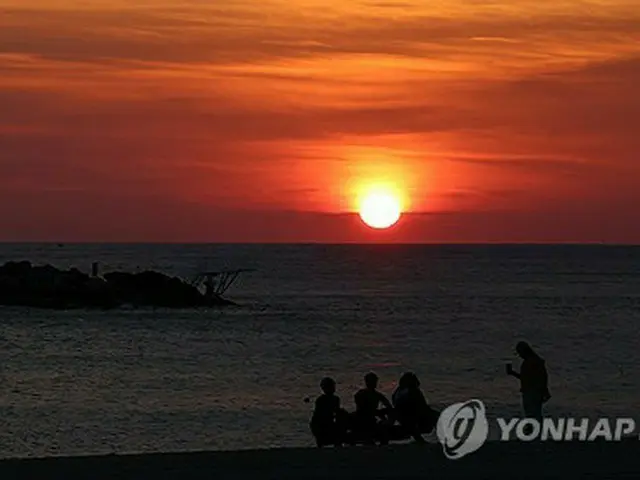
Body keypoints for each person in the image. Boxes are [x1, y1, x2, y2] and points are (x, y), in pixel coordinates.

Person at [506, 341, 551, 424]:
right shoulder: (535, 361)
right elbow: (526, 378)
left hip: (532, 392)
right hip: (532, 392)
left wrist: (544, 390)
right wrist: (512, 373)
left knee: (533, 414)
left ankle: (534, 433)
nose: (520, 355)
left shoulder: (532, 362)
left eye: (520, 353)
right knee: (534, 414)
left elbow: (540, 378)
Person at [392, 372, 439, 443]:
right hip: (411, 417)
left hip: (406, 417)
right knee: (435, 416)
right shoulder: (412, 391)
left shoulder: (398, 392)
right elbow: (422, 406)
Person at [352, 372, 394, 444]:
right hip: (362, 420)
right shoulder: (361, 394)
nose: (373, 383)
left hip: (371, 419)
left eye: (374, 381)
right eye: (372, 381)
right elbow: (362, 409)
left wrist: (386, 417)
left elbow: (388, 406)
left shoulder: (377, 395)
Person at [309, 377, 349, 447]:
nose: (333, 388)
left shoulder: (335, 399)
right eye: (332, 386)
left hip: (329, 424)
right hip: (322, 426)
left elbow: (336, 413)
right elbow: (319, 416)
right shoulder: (321, 400)